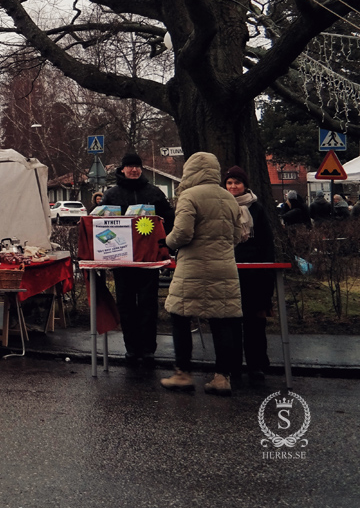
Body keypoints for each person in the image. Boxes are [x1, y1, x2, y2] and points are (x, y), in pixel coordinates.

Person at [160, 152, 243, 396]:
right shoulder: (228, 198)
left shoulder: (189, 196)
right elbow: (237, 235)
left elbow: (182, 234)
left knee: (179, 316)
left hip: (193, 267)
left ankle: (183, 373)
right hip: (224, 266)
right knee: (222, 320)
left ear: (191, 171)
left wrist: (166, 241)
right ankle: (221, 377)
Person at [100, 152, 175, 366]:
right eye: (129, 166)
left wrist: (164, 243)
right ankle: (131, 348)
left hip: (148, 261)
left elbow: (169, 220)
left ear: (141, 169)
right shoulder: (112, 194)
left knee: (148, 305)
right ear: (122, 169)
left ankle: (148, 349)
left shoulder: (154, 193)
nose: (134, 170)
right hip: (121, 261)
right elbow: (99, 221)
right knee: (125, 305)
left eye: (137, 166)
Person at [224, 165, 275, 384]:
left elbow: (267, 242)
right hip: (228, 271)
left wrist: (267, 270)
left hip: (254, 273)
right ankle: (232, 365)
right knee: (231, 321)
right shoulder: (221, 207)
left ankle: (256, 365)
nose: (233, 186)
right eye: (229, 183)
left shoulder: (257, 209)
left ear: (245, 185)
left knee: (254, 322)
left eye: (237, 182)